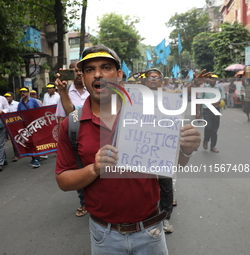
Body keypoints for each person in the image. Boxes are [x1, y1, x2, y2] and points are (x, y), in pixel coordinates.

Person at [55, 44, 201, 254]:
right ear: (84, 78)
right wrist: (93, 169)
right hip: (103, 235)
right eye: (89, 69)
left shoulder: (151, 112)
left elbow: (173, 163)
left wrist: (187, 149)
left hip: (150, 231)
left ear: (119, 74)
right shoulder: (71, 125)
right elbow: (63, 180)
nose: (98, 74)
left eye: (106, 67)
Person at [55, 61, 90, 217]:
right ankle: (84, 202)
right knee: (79, 170)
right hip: (76, 139)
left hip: (96, 136)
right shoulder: (66, 93)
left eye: (81, 70)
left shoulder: (96, 89)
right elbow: (64, 117)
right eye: (75, 70)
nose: (78, 73)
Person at [144, 68, 176, 234]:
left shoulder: (170, 98)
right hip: (142, 147)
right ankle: (146, 216)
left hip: (163, 147)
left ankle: (165, 217)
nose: (154, 80)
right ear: (146, 81)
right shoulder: (137, 98)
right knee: (144, 183)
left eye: (157, 77)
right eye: (151, 77)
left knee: (165, 183)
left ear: (161, 81)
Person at [196, 74, 224, 153]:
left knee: (214, 130)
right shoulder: (204, 88)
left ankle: (213, 146)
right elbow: (199, 99)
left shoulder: (219, 89)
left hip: (216, 110)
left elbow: (223, 97)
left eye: (215, 79)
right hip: (206, 110)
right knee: (208, 127)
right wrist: (198, 112)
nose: (213, 80)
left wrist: (217, 102)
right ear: (209, 80)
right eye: (212, 79)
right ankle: (205, 140)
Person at [17, 87, 41, 168]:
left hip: (34, 125)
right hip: (26, 126)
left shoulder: (34, 101)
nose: (22, 93)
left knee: (35, 141)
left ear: (28, 93)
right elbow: (18, 115)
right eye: (21, 92)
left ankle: (36, 158)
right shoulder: (20, 104)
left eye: (24, 92)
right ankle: (34, 157)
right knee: (30, 141)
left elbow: (39, 111)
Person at [4, 92, 19, 162]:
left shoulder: (17, 104)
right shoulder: (3, 105)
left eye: (8, 96)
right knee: (13, 140)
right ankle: (16, 154)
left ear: (12, 97)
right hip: (8, 125)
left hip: (17, 124)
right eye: (5, 97)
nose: (7, 98)